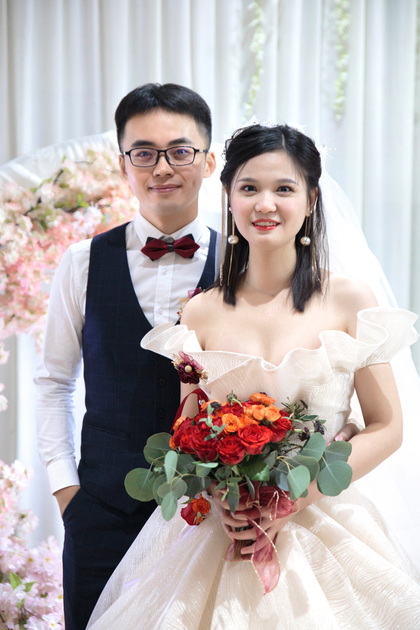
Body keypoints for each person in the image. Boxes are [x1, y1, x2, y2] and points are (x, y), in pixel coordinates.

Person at [86, 123, 420, 630]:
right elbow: (188, 431)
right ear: (229, 197)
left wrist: (297, 496)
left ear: (310, 200)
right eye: (249, 188)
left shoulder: (351, 300)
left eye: (284, 188)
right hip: (222, 528)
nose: (265, 204)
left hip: (324, 518)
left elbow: (387, 426)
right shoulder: (199, 313)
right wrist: (220, 497)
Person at [35, 83, 219, 630]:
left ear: (209, 161)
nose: (161, 167)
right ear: (123, 165)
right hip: (101, 513)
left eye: (179, 151)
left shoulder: (243, 264)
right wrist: (67, 492)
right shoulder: (82, 261)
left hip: (208, 514)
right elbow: (53, 381)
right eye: (143, 152)